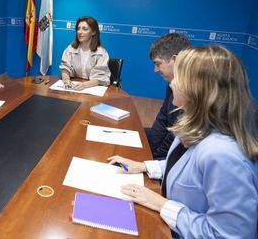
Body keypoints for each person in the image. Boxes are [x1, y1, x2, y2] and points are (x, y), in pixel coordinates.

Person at [108, 46, 258, 238]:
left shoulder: (224, 155)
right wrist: (144, 166)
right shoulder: (197, 126)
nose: (171, 85)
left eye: (179, 78)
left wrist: (162, 205)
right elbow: (187, 168)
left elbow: (227, 235)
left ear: (199, 89)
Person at [147, 33, 190, 159]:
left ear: (175, 60)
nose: (155, 70)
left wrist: (152, 158)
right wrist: (150, 147)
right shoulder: (171, 83)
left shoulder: (191, 92)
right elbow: (163, 118)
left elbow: (176, 135)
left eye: (158, 63)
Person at [59, 16, 111, 90]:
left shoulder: (101, 52)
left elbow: (100, 78)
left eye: (85, 29)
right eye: (78, 29)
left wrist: (84, 85)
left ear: (93, 32)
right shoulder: (70, 49)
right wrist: (66, 80)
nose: (80, 32)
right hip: (74, 88)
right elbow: (65, 68)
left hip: (93, 89)